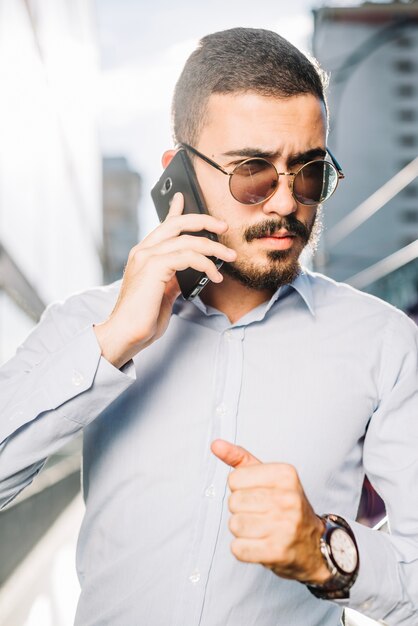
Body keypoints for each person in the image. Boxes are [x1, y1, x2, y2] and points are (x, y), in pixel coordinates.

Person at [0, 27, 417, 626]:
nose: (284, 203)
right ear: (180, 174)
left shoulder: (384, 343)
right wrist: (113, 343)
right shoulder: (89, 322)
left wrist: (328, 553)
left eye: (308, 173)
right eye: (252, 172)